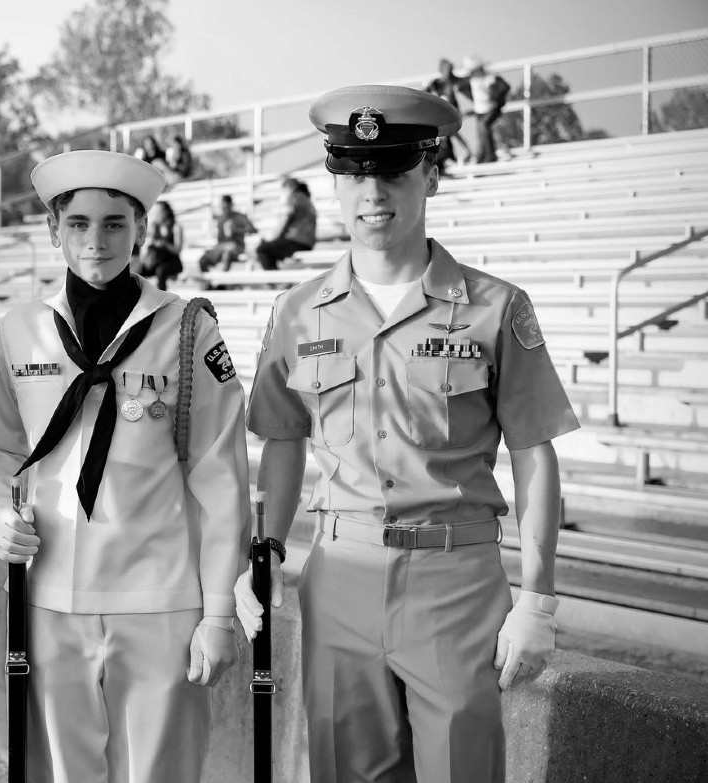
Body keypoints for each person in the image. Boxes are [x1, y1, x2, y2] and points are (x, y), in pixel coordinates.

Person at [234, 85, 578, 782]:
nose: (373, 192)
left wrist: (537, 596)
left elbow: (533, 452)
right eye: (356, 173)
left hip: (454, 582)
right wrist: (262, 549)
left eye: (392, 170)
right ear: (335, 181)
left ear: (429, 172)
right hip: (337, 580)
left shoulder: (494, 307)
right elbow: (281, 441)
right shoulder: (297, 311)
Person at [0, 149, 250, 783]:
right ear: (53, 232)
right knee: (59, 773)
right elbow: (5, 450)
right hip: (48, 595)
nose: (95, 240)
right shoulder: (22, 329)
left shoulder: (185, 329)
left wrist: (217, 613)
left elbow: (221, 478)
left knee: (159, 772)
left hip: (159, 597)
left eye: (113, 224)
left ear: (141, 232)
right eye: (78, 224)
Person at [457, 55, 512, 164]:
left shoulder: (490, 78)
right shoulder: (471, 80)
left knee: (484, 127)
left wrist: (496, 97)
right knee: (481, 133)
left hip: (492, 108)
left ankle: (491, 155)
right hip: (479, 110)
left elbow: (505, 88)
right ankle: (482, 156)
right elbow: (461, 86)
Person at [255, 176, 316, 271]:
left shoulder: (293, 198)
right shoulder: (307, 200)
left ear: (288, 188)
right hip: (306, 244)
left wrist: (270, 240)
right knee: (269, 250)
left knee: (262, 249)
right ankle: (278, 281)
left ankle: (276, 283)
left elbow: (284, 223)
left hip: (295, 242)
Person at [424, 57, 473, 171]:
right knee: (443, 139)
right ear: (442, 70)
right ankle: (447, 160)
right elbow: (424, 93)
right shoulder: (435, 84)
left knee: (451, 135)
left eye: (451, 69)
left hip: (450, 115)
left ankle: (457, 156)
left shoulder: (455, 81)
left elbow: (465, 81)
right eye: (447, 69)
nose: (449, 72)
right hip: (441, 116)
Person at [198, 195, 258, 277]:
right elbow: (220, 240)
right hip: (222, 247)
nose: (224, 210)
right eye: (222, 208)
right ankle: (210, 285)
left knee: (227, 254)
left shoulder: (239, 217)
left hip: (237, 247)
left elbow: (253, 230)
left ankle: (222, 282)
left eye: (225, 207)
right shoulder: (221, 219)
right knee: (203, 260)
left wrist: (236, 230)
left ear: (230, 205)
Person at [137, 200, 184, 290]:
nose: (156, 214)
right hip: (157, 260)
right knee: (139, 270)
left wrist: (165, 244)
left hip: (172, 261)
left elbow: (178, 250)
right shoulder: (154, 226)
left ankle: (163, 297)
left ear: (166, 212)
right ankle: (139, 296)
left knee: (161, 271)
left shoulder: (176, 227)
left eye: (159, 211)